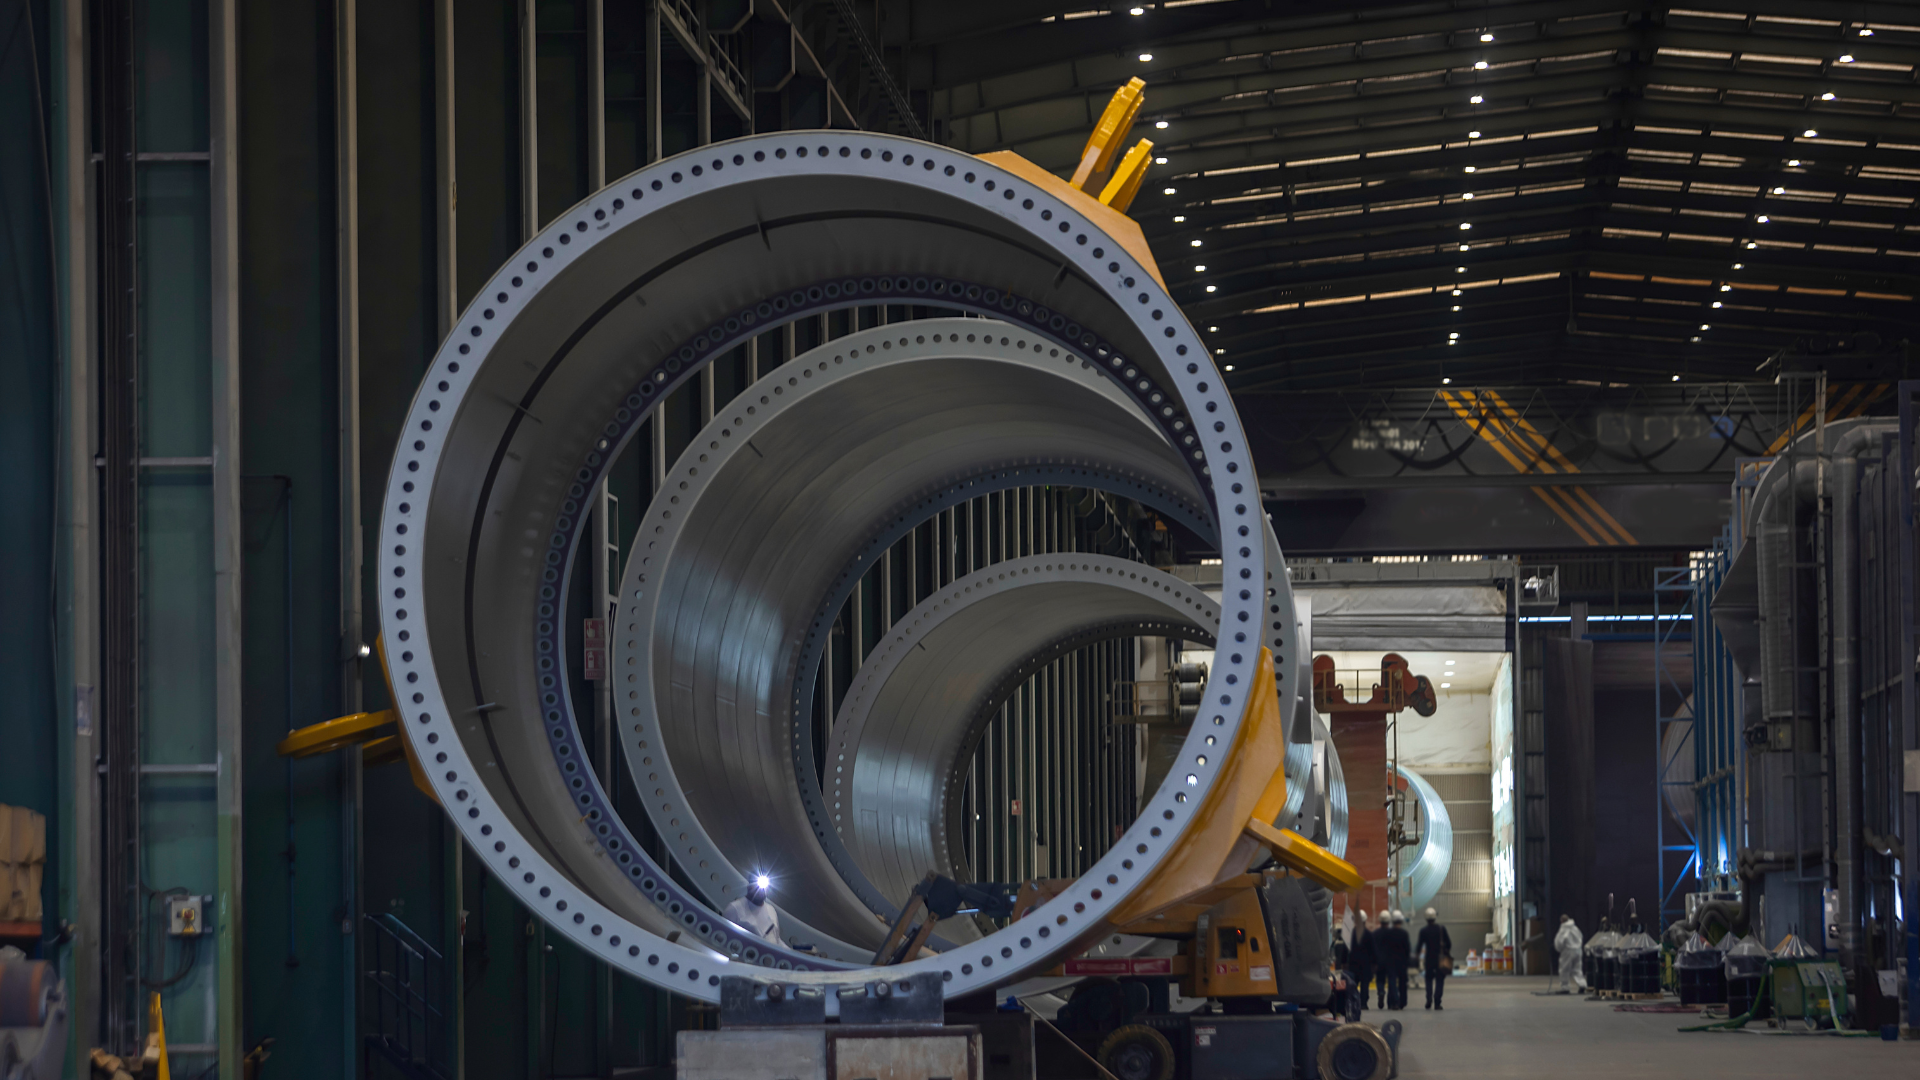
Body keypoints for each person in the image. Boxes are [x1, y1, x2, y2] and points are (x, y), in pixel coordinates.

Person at [722, 874, 783, 946]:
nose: (761, 890)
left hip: (771, 955)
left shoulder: (771, 910)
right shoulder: (734, 908)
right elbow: (721, 937)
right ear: (749, 887)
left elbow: (777, 940)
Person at [1375, 911, 1412, 1010]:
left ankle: (1394, 1002)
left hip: (1390, 962)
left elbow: (1385, 947)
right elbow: (1407, 949)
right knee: (1402, 983)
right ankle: (1402, 1002)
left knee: (1392, 982)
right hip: (1402, 962)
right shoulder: (1404, 934)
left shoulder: (1388, 933)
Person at [1417, 907, 1452, 1009]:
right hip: (1440, 959)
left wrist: (1417, 957)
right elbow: (1449, 943)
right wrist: (1446, 951)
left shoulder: (1423, 931)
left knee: (1428, 979)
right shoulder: (1441, 929)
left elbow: (1419, 946)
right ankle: (1437, 1003)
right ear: (1435, 917)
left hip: (1429, 959)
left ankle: (1428, 999)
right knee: (1439, 980)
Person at [1350, 911, 1376, 1013]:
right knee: (1365, 985)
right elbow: (1373, 951)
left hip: (1353, 964)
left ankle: (1353, 1002)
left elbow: (1345, 949)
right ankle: (1363, 1004)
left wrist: (1343, 963)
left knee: (1352, 985)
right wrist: (1374, 964)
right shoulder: (1369, 934)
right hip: (1366, 964)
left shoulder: (1351, 934)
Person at [1554, 914, 1586, 994]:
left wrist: (1558, 948)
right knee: (1577, 969)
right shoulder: (1575, 928)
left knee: (1564, 969)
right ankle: (1582, 985)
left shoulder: (1564, 928)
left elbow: (1560, 941)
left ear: (1561, 921)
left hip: (1568, 951)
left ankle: (1565, 987)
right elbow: (1581, 937)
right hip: (1578, 950)